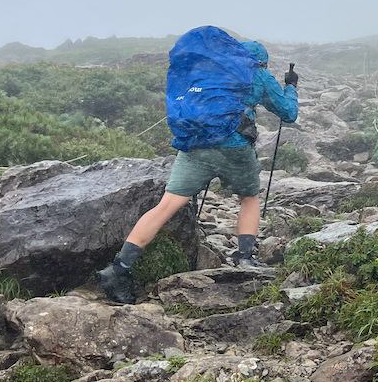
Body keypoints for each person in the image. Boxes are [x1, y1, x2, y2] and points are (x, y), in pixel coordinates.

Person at [96, 40, 298, 304]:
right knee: (249, 198)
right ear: (260, 62)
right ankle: (245, 258)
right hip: (234, 149)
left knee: (166, 206)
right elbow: (288, 113)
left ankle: (119, 269)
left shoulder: (207, 72)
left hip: (195, 146)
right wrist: (290, 87)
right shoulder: (258, 74)